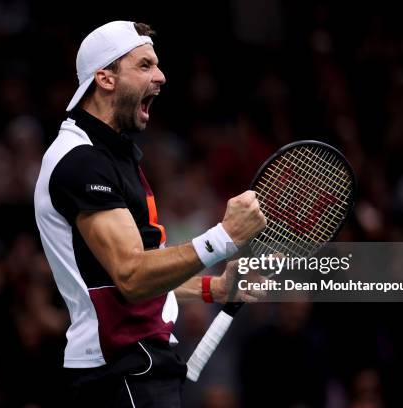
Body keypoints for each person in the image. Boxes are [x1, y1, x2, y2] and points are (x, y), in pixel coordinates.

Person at [34, 21, 266, 407]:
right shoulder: (80, 161)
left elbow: (124, 280)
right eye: (144, 65)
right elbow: (131, 275)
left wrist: (212, 289)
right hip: (121, 367)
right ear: (106, 78)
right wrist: (224, 237)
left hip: (137, 364)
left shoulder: (111, 154)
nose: (160, 76)